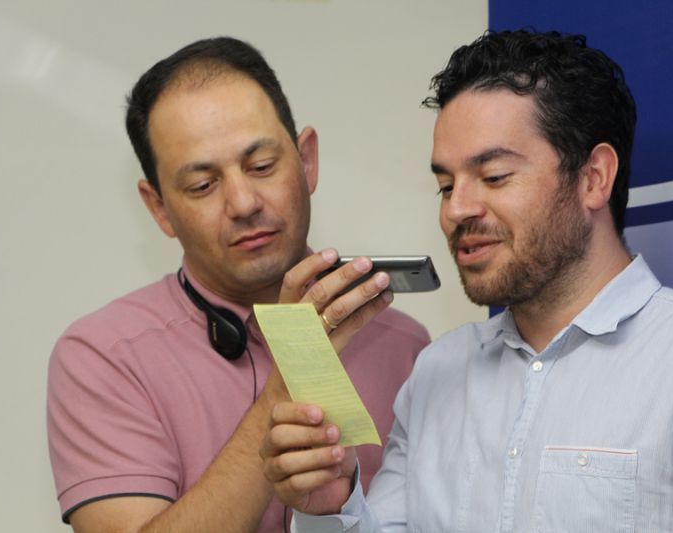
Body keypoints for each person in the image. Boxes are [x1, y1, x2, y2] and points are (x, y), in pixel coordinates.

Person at [262, 30, 673, 531]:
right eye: (445, 186)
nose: (456, 209)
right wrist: (331, 509)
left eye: (495, 176)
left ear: (593, 178)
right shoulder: (437, 370)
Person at [46, 37, 430, 533]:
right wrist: (294, 368)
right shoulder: (103, 356)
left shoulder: (407, 348)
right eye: (203, 185)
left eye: (262, 166)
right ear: (160, 208)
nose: (244, 203)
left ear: (307, 160)